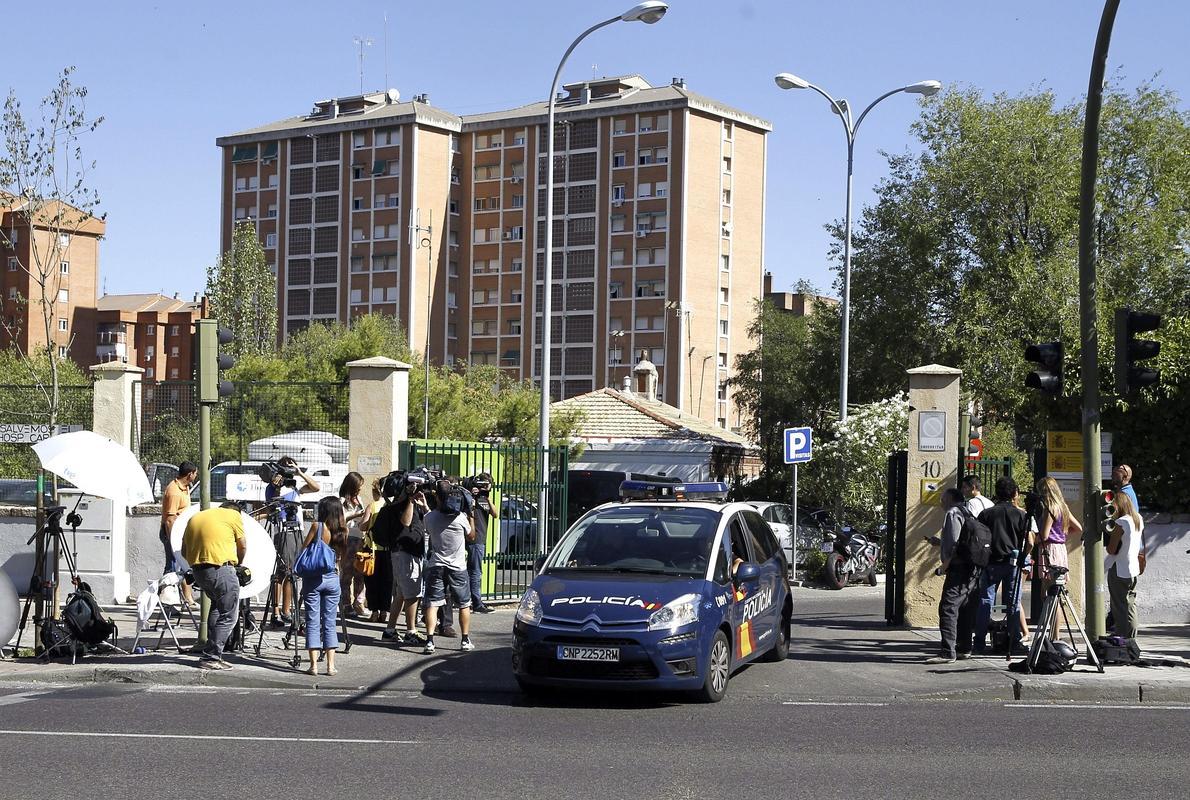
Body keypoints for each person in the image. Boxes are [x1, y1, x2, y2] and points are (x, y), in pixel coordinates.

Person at [181, 503, 246, 670]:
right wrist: (238, 563)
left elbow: (183, 551)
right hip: (220, 569)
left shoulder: (195, 517)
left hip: (198, 571)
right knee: (230, 615)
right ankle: (211, 657)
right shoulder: (234, 515)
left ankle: (213, 654)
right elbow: (243, 545)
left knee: (217, 608)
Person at [973, 476, 1031, 654]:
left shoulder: (986, 514)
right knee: (1013, 603)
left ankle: (979, 642)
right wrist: (1024, 556)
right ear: (1015, 493)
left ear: (997, 494)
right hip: (1012, 563)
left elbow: (978, 538)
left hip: (990, 562)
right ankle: (1014, 641)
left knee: (985, 602)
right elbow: (1030, 542)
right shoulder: (1021, 515)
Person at [264, 456, 320, 625]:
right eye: (286, 468)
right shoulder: (273, 488)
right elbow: (271, 504)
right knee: (283, 572)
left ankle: (286, 610)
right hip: (284, 532)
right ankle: (277, 611)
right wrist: (277, 484)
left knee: (292, 572)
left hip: (297, 531)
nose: (289, 471)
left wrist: (300, 473)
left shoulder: (294, 488)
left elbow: (315, 488)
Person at [928, 489, 981, 664]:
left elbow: (954, 545)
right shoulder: (967, 511)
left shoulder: (952, 513)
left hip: (957, 567)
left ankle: (947, 651)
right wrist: (939, 542)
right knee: (965, 607)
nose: (940, 503)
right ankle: (965, 647)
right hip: (971, 567)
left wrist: (944, 567)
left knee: (948, 608)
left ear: (949, 499)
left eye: (942, 499)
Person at [422, 478, 475, 654]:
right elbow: (472, 536)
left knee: (433, 603)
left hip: (436, 564)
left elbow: (429, 531)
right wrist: (471, 514)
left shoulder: (429, 517)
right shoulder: (461, 518)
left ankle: (429, 641)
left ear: (437, 497)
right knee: (463, 603)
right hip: (458, 566)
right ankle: (465, 640)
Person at [378, 479, 430, 644]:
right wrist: (410, 500)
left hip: (408, 553)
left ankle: (390, 630)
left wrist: (420, 503)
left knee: (401, 595)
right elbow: (406, 522)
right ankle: (411, 631)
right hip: (405, 553)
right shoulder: (401, 505)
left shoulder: (406, 503)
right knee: (412, 594)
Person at [301, 496, 348, 675]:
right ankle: (330, 666)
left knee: (312, 621)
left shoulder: (317, 527)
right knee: (329, 622)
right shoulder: (343, 531)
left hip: (313, 579)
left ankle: (313, 666)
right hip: (332, 578)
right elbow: (341, 557)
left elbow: (304, 550)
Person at [1105, 489, 1143, 640]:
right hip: (1133, 568)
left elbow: (1112, 549)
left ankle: (1123, 638)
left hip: (1119, 568)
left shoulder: (1121, 522)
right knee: (1130, 605)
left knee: (1119, 606)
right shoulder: (1138, 519)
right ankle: (1131, 637)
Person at [160, 461, 197, 608]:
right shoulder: (174, 491)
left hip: (181, 533)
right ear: (189, 474)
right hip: (172, 534)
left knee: (183, 566)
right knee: (172, 567)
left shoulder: (185, 488)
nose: (196, 476)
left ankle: (187, 599)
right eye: (195, 473)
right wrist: (172, 541)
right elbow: (170, 519)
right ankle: (167, 603)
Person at [360, 477, 391, 623]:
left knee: (371, 582)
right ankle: (384, 612)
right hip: (387, 549)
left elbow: (363, 526)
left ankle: (374, 612)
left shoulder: (372, 506)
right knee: (386, 582)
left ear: (374, 491)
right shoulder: (390, 506)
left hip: (371, 549)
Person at [338, 472, 368, 618]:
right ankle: (345, 604)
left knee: (360, 573)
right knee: (347, 573)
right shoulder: (341, 501)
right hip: (348, 539)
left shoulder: (359, 499)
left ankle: (359, 603)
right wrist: (356, 515)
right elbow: (341, 520)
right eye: (358, 486)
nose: (360, 490)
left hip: (360, 539)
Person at [467, 473, 496, 614]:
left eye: (487, 485)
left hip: (481, 538)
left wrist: (487, 496)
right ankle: (476, 602)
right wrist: (473, 494)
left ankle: (473, 600)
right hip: (475, 539)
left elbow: (495, 514)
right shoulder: (471, 498)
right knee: (475, 572)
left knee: (473, 571)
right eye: (482, 485)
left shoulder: (485, 498)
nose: (484, 487)